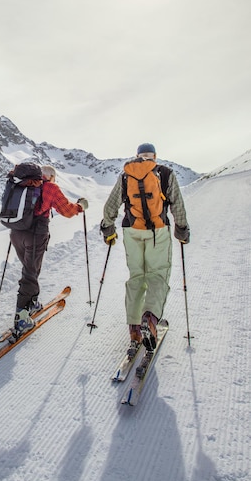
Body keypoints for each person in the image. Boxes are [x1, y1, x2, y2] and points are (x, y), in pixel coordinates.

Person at [100, 143, 190, 357]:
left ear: (137, 156)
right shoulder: (165, 173)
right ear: (154, 156)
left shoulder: (125, 175)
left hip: (132, 231)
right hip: (158, 232)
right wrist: (182, 229)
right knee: (158, 275)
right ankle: (149, 320)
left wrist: (108, 228)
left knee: (136, 277)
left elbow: (110, 206)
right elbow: (177, 203)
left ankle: (134, 330)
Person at [10, 164, 88, 338]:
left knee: (30, 268)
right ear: (51, 177)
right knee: (30, 273)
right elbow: (67, 210)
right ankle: (21, 318)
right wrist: (80, 206)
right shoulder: (50, 187)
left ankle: (32, 302)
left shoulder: (19, 185)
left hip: (16, 233)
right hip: (35, 234)